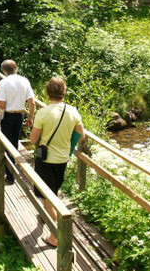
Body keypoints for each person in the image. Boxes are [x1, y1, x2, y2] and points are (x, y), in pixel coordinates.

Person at [29, 77, 84, 248]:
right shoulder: (72, 111)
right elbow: (81, 134)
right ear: (64, 91)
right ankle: (49, 215)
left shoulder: (43, 113)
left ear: (47, 92)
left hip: (46, 160)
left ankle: (56, 234)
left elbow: (33, 140)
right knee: (53, 191)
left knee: (47, 196)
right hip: (62, 159)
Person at [0, 60, 35, 185]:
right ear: (16, 68)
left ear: (4, 71)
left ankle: (10, 176)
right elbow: (32, 102)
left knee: (7, 145)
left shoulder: (4, 82)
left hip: (7, 116)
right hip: (20, 115)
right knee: (14, 142)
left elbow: (2, 104)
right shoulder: (25, 80)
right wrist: (31, 118)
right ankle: (13, 168)